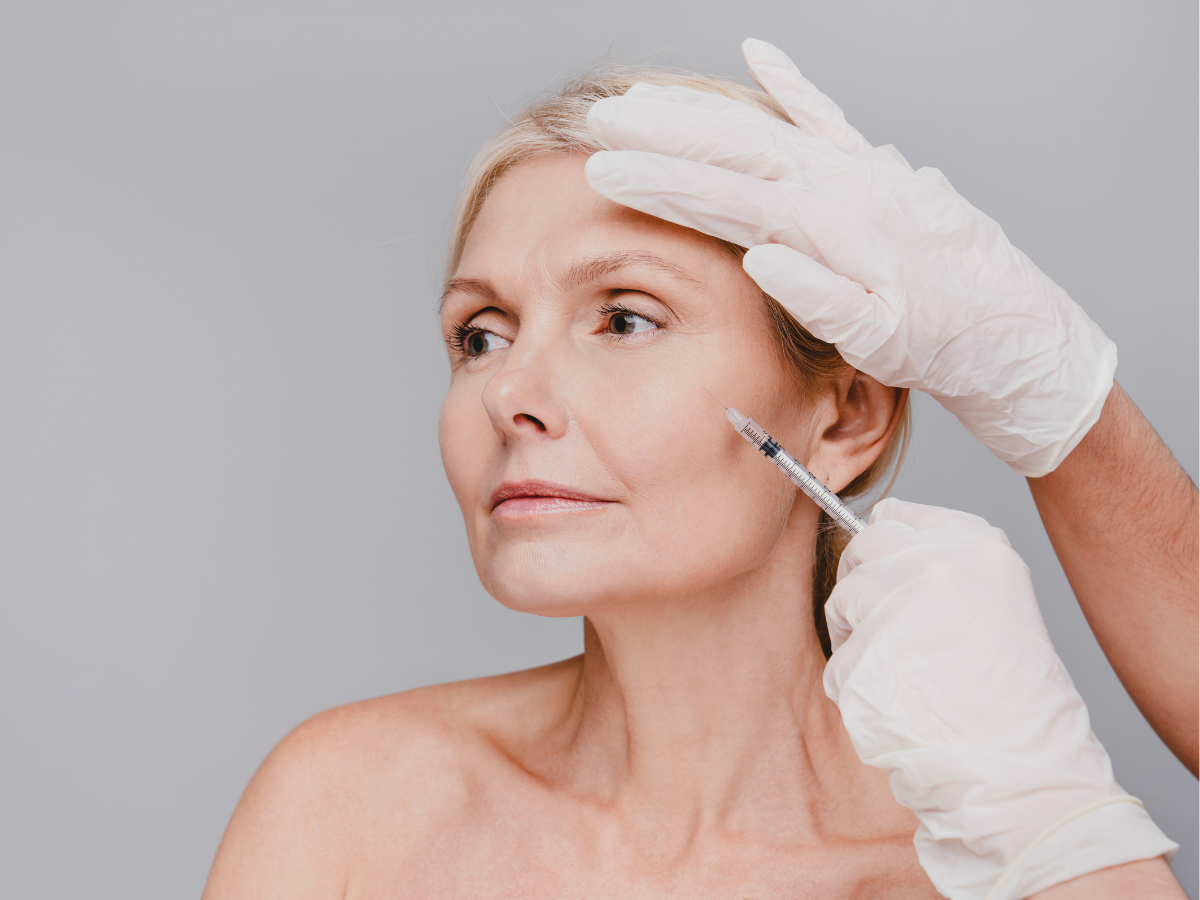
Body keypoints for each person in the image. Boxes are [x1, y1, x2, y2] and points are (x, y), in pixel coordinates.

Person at [202, 48, 1187, 899]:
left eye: (625, 317)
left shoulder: (987, 867)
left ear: (845, 416)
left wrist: (1070, 845)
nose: (509, 394)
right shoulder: (348, 810)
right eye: (480, 335)